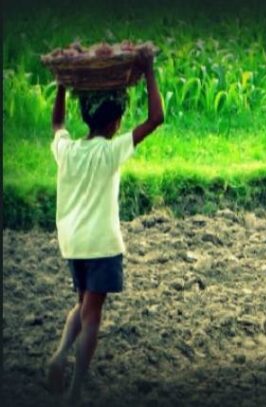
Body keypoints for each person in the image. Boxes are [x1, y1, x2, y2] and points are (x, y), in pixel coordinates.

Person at [46, 49, 164, 404]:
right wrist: (149, 72)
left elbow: (56, 125)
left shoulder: (67, 150)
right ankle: (75, 388)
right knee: (92, 314)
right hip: (101, 243)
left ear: (88, 119)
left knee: (83, 304)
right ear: (113, 125)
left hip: (73, 243)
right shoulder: (111, 152)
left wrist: (63, 86)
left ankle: (58, 356)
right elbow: (156, 118)